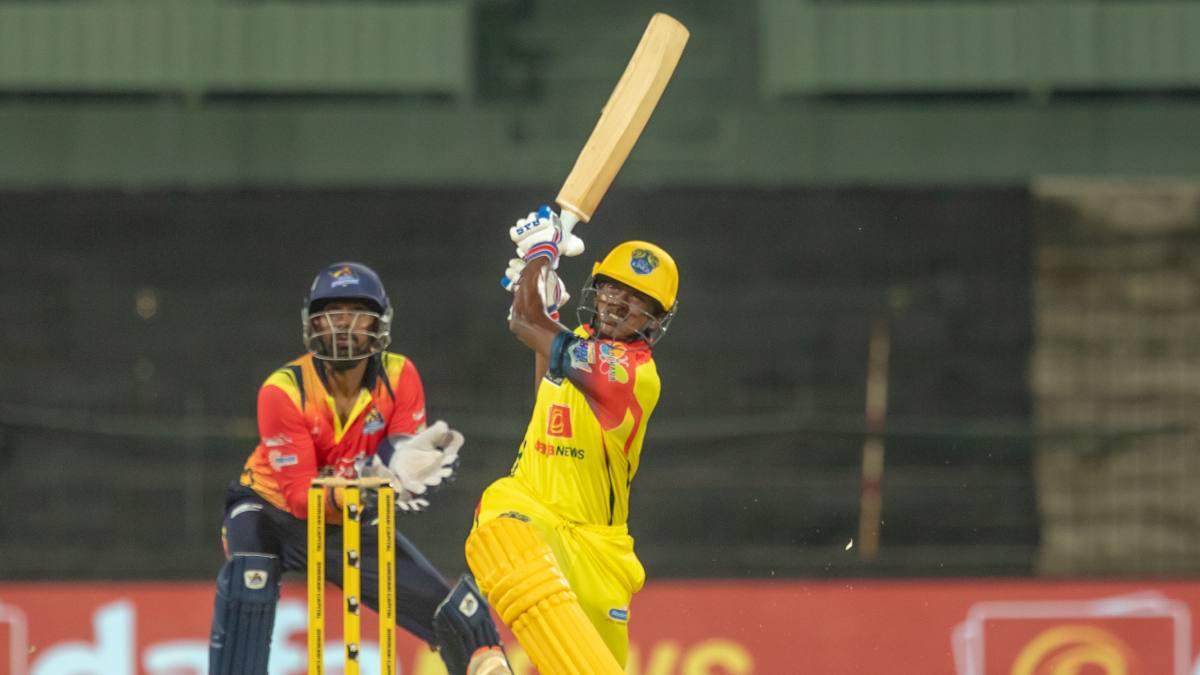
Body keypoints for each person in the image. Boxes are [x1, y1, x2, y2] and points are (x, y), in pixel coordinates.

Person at [207, 261, 511, 675]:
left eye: (357, 313)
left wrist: (404, 469)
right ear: (313, 323)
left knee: (460, 619)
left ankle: (485, 663)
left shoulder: (400, 375)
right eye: (333, 313)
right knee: (249, 582)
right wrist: (369, 486)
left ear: (379, 322)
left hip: (348, 512)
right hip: (269, 509)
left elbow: (396, 450)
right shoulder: (283, 390)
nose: (344, 325)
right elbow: (299, 498)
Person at [464, 206, 679, 675]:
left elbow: (524, 323)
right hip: (532, 509)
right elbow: (547, 387)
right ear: (596, 291)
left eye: (636, 298)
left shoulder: (630, 374)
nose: (618, 302)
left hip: (597, 553)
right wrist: (545, 304)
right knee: (499, 523)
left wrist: (540, 257)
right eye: (612, 288)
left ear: (656, 318)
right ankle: (481, 649)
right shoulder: (578, 342)